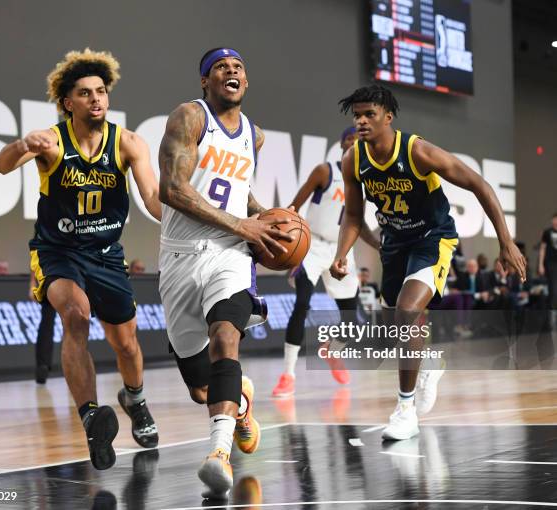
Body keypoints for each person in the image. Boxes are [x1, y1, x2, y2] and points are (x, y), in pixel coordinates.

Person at [0, 48, 162, 469]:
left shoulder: (127, 143)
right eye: (85, 93)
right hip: (58, 253)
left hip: (106, 255)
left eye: (101, 91)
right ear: (68, 103)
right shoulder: (51, 141)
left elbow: (156, 202)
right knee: (75, 315)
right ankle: (91, 416)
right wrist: (20, 145)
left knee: (126, 343)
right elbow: (0, 166)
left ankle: (134, 399)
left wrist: (197, 220)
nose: (96, 99)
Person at [330, 84, 526, 441]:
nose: (360, 121)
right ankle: (429, 364)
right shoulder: (353, 160)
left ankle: (404, 410)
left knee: (407, 312)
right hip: (395, 243)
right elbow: (354, 216)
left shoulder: (417, 151)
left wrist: (506, 241)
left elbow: (479, 185)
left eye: (368, 114)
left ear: (388, 117)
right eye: (356, 115)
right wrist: (342, 254)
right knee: (399, 325)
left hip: (432, 238)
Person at [158, 47, 292, 498]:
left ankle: (218, 454)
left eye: (238, 67)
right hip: (179, 255)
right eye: (221, 67)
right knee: (200, 386)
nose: (231, 71)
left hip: (230, 253)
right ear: (205, 82)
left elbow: (239, 189)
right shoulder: (189, 117)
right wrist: (244, 221)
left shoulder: (254, 136)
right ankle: (241, 402)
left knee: (225, 337)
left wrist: (266, 218)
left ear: (246, 83)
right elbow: (173, 189)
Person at [272, 126, 379, 397]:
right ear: (343, 144)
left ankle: (332, 352)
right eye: (353, 141)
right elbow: (293, 207)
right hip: (313, 246)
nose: (357, 146)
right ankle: (288, 374)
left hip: (343, 250)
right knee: (301, 304)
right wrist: (288, 246)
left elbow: (359, 224)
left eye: (362, 142)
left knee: (351, 321)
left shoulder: (364, 182)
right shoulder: (325, 171)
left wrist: (380, 246)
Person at [29, 272, 57, 383]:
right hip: (52, 278)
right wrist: (32, 285)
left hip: (50, 278)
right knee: (47, 323)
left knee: (47, 323)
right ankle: (42, 367)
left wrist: (32, 285)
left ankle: (42, 366)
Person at [539, 213, 557, 311]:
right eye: (554, 219)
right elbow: (542, 248)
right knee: (553, 289)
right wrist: (540, 265)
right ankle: (552, 314)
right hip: (551, 263)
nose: (555, 222)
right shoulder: (547, 232)